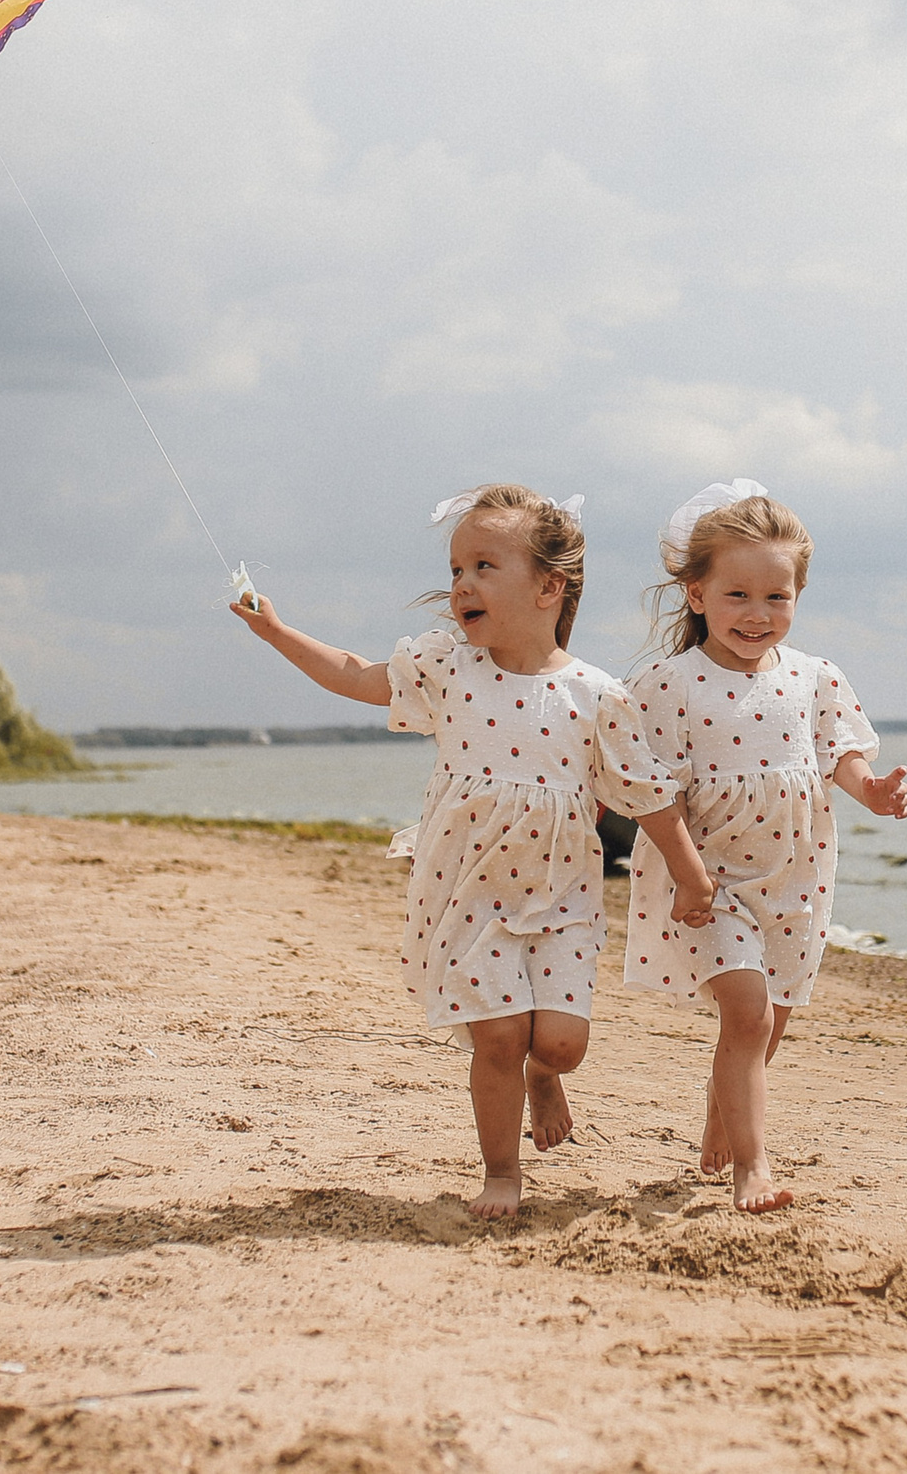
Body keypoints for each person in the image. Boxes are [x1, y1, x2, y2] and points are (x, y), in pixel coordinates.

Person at [233, 484, 715, 1219]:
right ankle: (501, 1172)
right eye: (457, 569)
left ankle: (542, 1076)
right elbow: (357, 672)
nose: (461, 585)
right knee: (496, 1034)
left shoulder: (594, 695)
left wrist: (689, 875)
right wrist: (278, 633)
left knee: (559, 1042)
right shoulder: (448, 670)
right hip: (470, 892)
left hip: (562, 899)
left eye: (485, 566)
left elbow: (647, 794)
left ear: (550, 585)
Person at [621, 480, 907, 1212]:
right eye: (738, 595)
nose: (758, 615)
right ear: (696, 595)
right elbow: (650, 788)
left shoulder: (816, 676)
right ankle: (754, 1166)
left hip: (795, 875)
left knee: (771, 1017)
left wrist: (869, 788)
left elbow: (838, 751)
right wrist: (688, 875)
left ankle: (724, 1117)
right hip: (710, 876)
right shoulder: (669, 683)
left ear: (797, 596)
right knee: (746, 1012)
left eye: (776, 598)